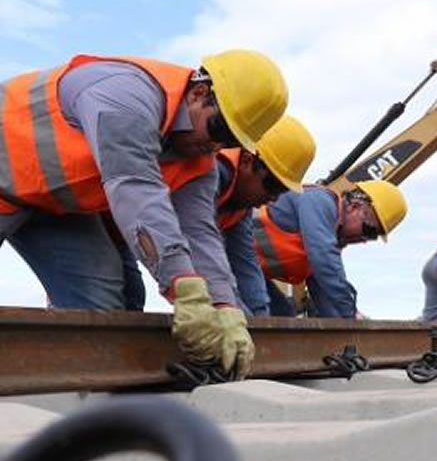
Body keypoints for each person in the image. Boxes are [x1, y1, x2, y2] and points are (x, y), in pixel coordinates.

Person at [0, 49, 289, 379]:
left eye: (231, 141)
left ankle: (68, 400)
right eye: (218, 127)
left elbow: (199, 231)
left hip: (50, 199)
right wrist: (184, 289)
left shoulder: (200, 157)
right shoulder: (126, 95)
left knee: (97, 302)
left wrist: (225, 307)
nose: (215, 145)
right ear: (199, 93)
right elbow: (135, 189)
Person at [115, 115, 317, 313]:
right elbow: (199, 244)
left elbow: (244, 265)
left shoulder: (241, 203)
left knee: (131, 296)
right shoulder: (213, 174)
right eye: (272, 186)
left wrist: (259, 320)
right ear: (247, 160)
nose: (273, 198)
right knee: (119, 294)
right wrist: (234, 312)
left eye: (282, 191)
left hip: (131, 231)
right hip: (114, 218)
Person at [242, 181, 407, 318]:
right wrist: (350, 312)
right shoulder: (319, 201)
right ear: (354, 207)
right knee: (261, 315)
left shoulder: (327, 237)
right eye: (369, 231)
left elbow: (324, 293)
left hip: (245, 270)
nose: (365, 240)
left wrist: (347, 327)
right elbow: (324, 261)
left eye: (372, 237)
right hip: (230, 258)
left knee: (282, 316)